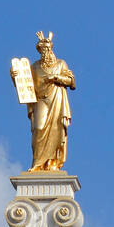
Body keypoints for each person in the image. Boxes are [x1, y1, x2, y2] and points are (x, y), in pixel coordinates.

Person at [26, 31, 75, 172]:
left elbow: (71, 81)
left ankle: (52, 162)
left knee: (58, 128)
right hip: (41, 100)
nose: (45, 52)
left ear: (51, 49)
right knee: (39, 128)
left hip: (56, 99)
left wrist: (56, 78)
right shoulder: (34, 67)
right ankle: (37, 163)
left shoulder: (60, 64)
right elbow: (25, 84)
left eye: (47, 49)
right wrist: (15, 75)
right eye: (42, 49)